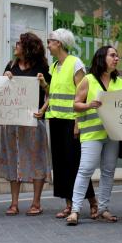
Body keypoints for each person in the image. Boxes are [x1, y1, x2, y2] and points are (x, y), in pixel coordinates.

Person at [67, 45, 122, 226]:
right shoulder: (88, 80)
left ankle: (103, 209)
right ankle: (75, 210)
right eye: (112, 55)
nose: (116, 59)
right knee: (85, 169)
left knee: (108, 171)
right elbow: (75, 104)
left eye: (117, 56)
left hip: (112, 134)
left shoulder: (120, 83)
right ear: (102, 58)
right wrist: (89, 105)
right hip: (92, 133)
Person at [45, 29, 99, 219]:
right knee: (60, 163)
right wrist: (44, 104)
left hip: (71, 120)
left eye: (50, 41)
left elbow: (81, 93)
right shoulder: (53, 66)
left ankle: (92, 201)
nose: (48, 45)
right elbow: (53, 93)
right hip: (56, 119)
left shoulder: (75, 63)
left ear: (59, 43)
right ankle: (68, 203)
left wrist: (78, 122)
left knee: (75, 162)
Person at [0, 33, 52, 216]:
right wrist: (4, 79)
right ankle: (14, 203)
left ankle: (36, 203)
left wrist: (44, 108)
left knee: (37, 159)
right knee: (14, 160)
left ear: (28, 48)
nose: (16, 45)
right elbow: (1, 93)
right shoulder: (11, 66)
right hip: (13, 122)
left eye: (20, 43)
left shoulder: (41, 67)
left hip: (33, 121)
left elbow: (52, 92)